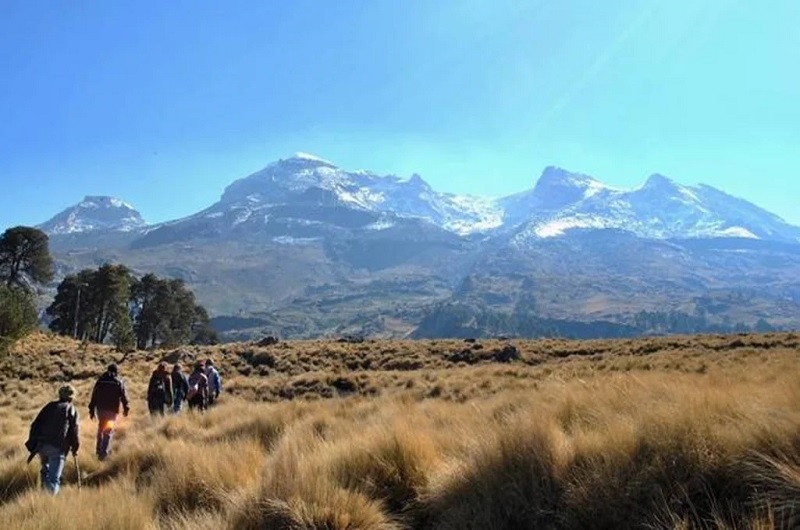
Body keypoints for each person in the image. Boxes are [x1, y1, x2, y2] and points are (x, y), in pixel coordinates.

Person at [25, 385, 80, 495]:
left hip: (42, 446)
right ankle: (49, 504)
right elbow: (73, 431)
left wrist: (33, 443)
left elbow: (35, 424)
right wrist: (75, 448)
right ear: (71, 397)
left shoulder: (49, 406)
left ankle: (43, 497)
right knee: (53, 479)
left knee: (45, 473)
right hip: (57, 447)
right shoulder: (71, 409)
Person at [88, 363, 129, 461]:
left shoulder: (100, 381)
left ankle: (98, 450)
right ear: (116, 371)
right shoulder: (118, 382)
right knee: (108, 431)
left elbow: (94, 396)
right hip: (112, 411)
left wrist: (91, 410)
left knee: (101, 428)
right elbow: (124, 396)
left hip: (100, 409)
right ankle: (103, 454)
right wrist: (126, 408)